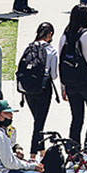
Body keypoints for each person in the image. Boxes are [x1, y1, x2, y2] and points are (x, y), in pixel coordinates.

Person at [58, 5, 87, 149]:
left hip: (71, 82)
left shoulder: (64, 36)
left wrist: (63, 87)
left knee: (77, 118)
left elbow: (62, 63)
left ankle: (73, 151)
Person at [16, 22, 60, 159]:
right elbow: (54, 75)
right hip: (43, 89)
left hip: (28, 90)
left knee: (37, 119)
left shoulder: (29, 47)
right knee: (39, 122)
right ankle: (33, 154)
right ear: (50, 34)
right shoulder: (51, 51)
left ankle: (41, 150)